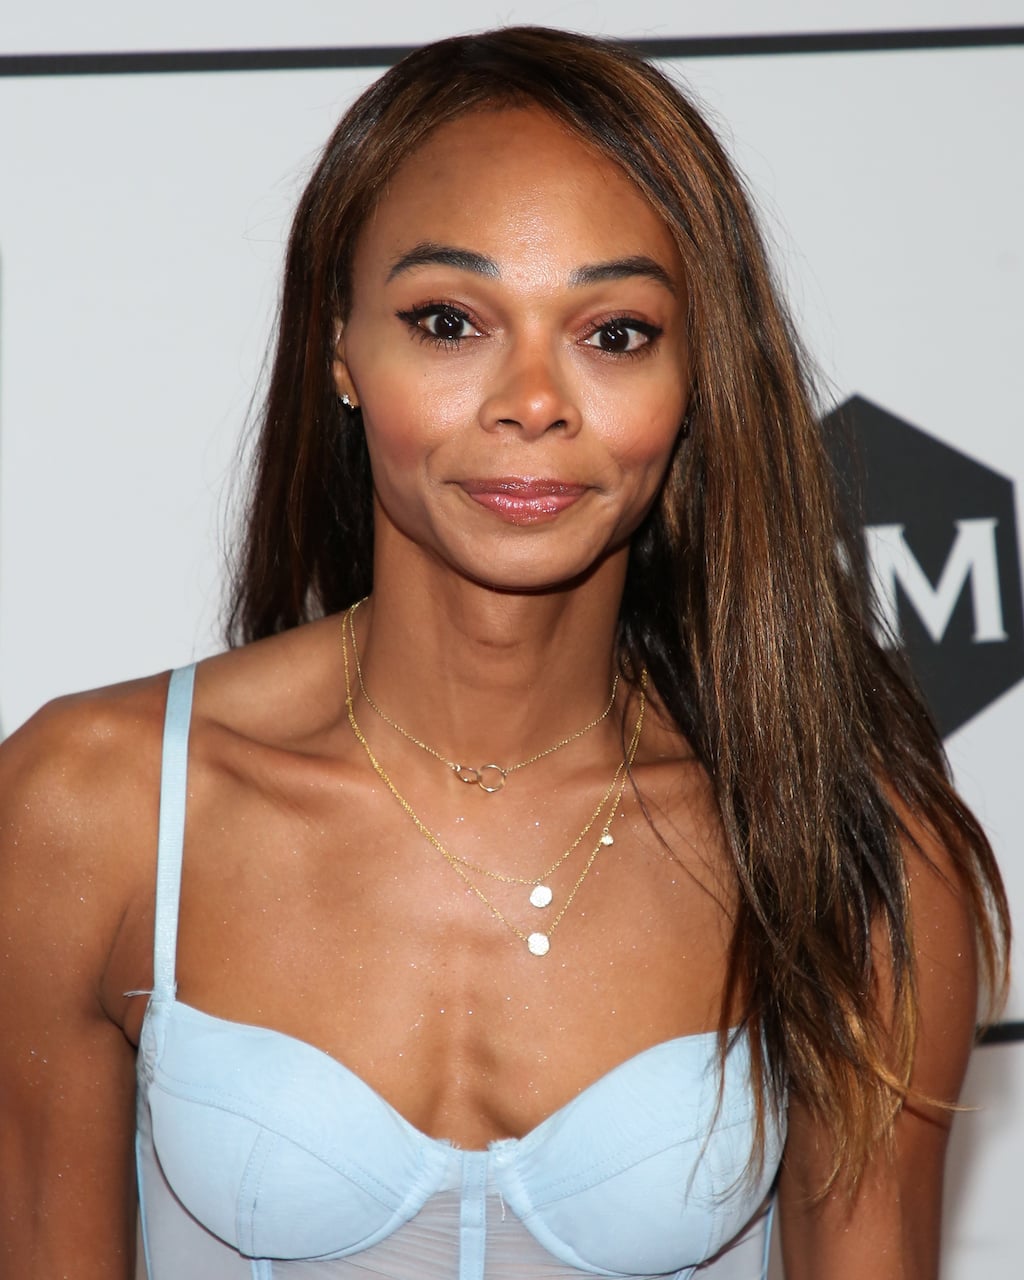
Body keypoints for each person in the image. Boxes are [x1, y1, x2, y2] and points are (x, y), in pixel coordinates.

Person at [0, 26, 1010, 1280]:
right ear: (338, 349)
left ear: (698, 373)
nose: (532, 400)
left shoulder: (848, 846)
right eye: (448, 319)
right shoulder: (93, 807)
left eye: (615, 332)